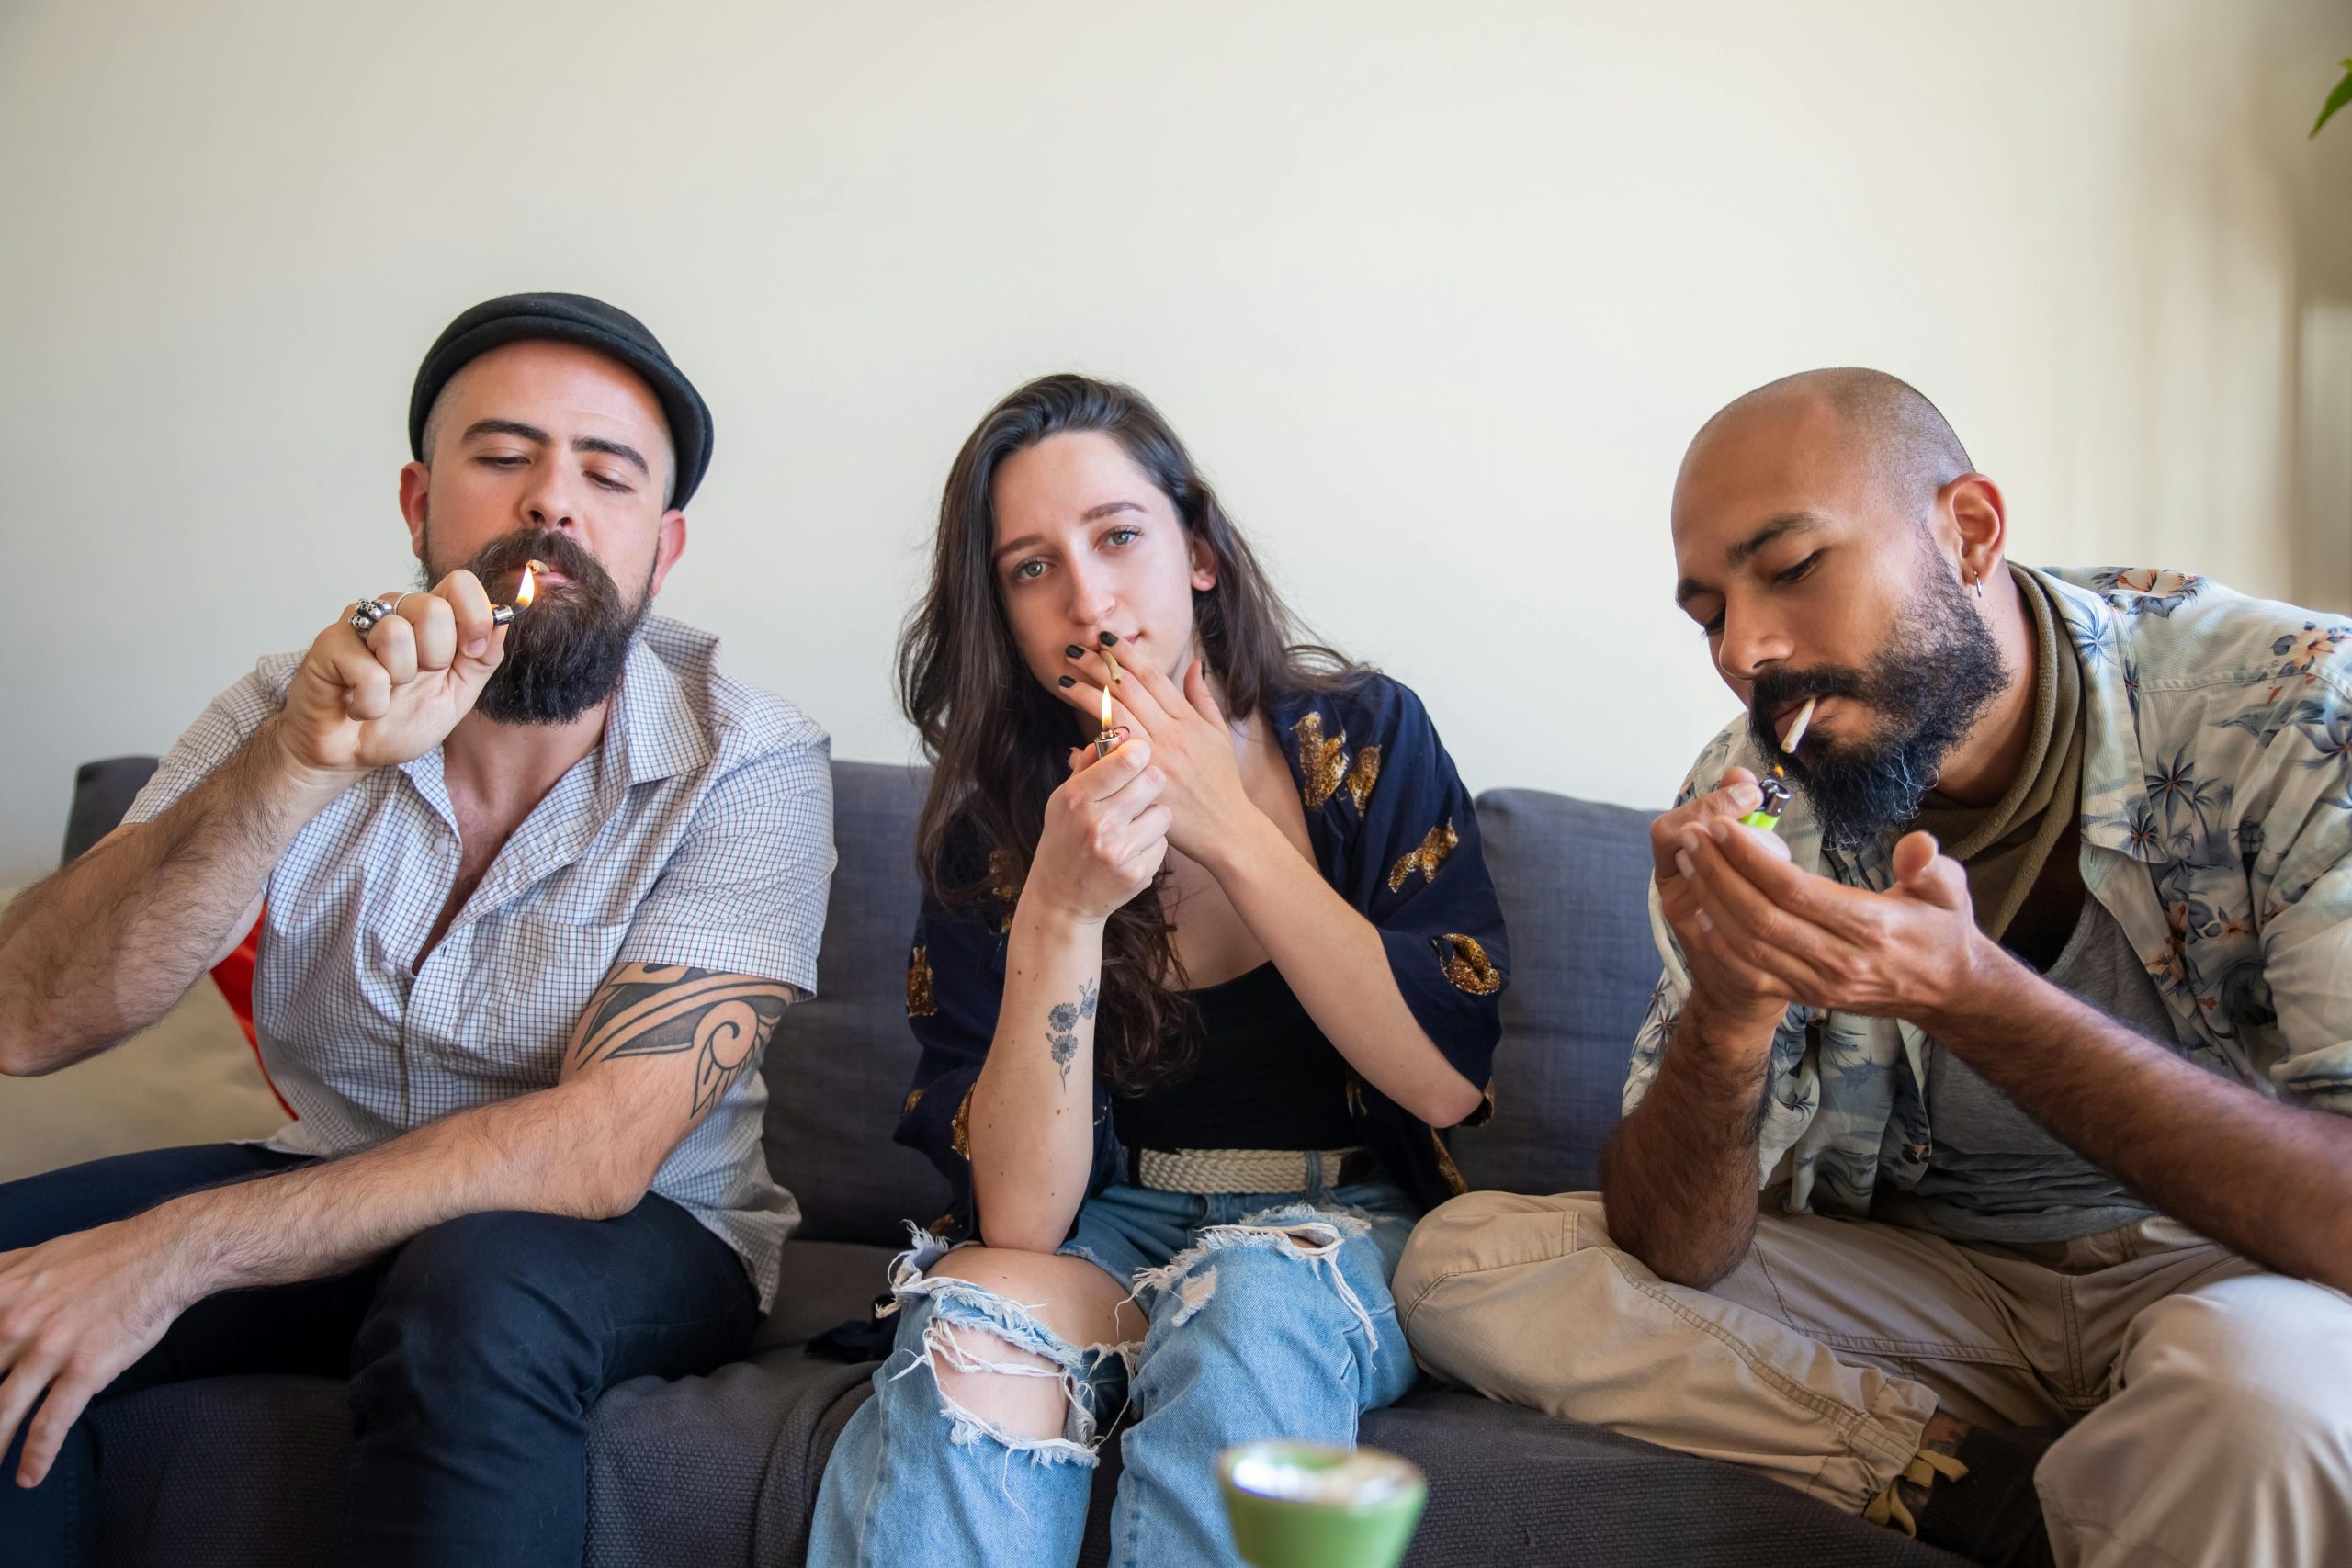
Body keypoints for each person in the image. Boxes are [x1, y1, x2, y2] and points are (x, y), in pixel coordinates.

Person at [1394, 367, 2352, 1568]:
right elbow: (1676, 1253)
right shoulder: (1749, 792)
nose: (1747, 650)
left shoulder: (2293, 710)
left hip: (2227, 1275)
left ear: (1968, 531)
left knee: (2265, 1401)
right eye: (1707, 614)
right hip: (1938, 1295)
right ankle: (1980, 1492)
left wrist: (1977, 997)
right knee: (1463, 1263)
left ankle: (2144, 1462)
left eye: (1792, 568)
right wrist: (1730, 1017)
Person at [0, 292, 834, 1567]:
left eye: (604, 474)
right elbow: (31, 1016)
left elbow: (602, 1150)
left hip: (639, 1232)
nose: (551, 500)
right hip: (330, 1173)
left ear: (662, 548)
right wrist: (292, 766)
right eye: (502, 457)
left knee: (472, 1295)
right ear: (417, 502)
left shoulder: (752, 761)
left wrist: (175, 1251)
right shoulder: (290, 704)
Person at [808, 373, 1506, 1568]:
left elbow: (1443, 1082)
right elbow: (1022, 1221)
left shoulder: (1370, 738)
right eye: (1032, 568)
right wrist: (1059, 915)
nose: (1088, 598)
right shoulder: (994, 829)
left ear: (1199, 554)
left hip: (1343, 1222)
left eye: (1119, 537)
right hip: (1114, 1225)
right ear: (1003, 614)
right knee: (971, 1328)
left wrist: (1225, 824)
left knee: (1248, 1306)